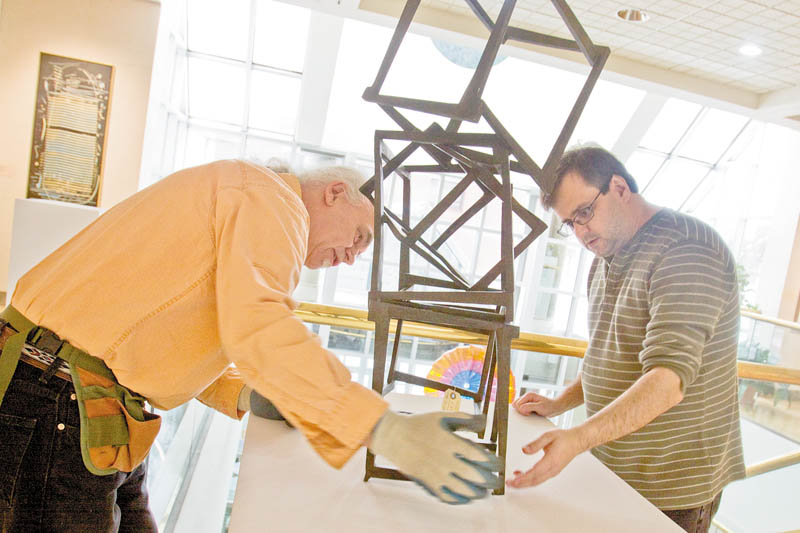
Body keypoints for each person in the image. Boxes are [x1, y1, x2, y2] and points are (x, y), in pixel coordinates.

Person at [0, 159, 501, 532]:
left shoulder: (246, 198)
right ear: (335, 193)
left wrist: (246, 393)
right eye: (361, 236)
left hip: (92, 406)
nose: (352, 257)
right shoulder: (272, 201)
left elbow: (168, 330)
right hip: (56, 395)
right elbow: (258, 325)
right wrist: (380, 427)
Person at [507, 146, 745, 533]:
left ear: (618, 187)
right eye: (570, 223)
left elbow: (667, 382)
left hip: (672, 487)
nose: (581, 232)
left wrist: (579, 437)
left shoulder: (686, 249)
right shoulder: (605, 257)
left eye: (584, 212)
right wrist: (559, 403)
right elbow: (609, 356)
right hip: (616, 471)